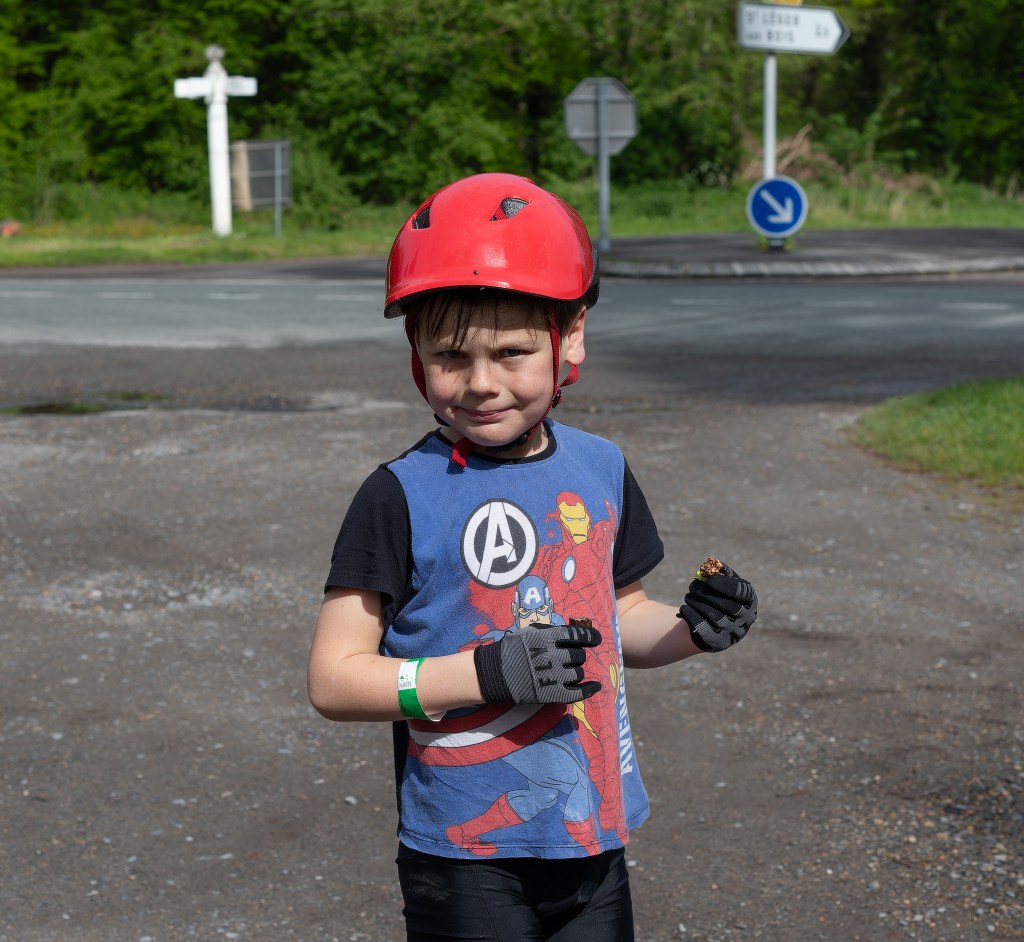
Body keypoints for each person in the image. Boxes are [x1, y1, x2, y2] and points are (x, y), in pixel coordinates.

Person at [307, 172, 758, 942]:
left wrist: (692, 630)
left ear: (570, 336)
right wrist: (486, 674)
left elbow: (620, 620)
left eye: (512, 352)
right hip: (464, 854)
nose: (481, 384)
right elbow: (334, 679)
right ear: (416, 350)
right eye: (450, 355)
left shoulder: (600, 467)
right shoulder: (399, 495)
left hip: (592, 833)